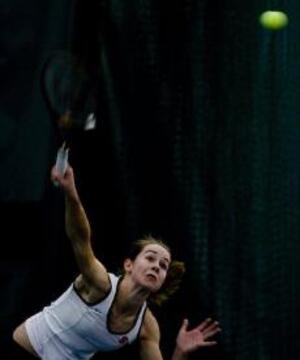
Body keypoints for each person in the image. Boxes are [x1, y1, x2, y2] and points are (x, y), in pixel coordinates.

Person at [12, 163, 221, 359]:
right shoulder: (99, 283)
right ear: (128, 265)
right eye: (150, 258)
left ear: (163, 280)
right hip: (27, 349)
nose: (156, 266)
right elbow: (79, 238)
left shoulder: (147, 327)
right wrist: (70, 192)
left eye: (163, 265)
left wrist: (180, 352)